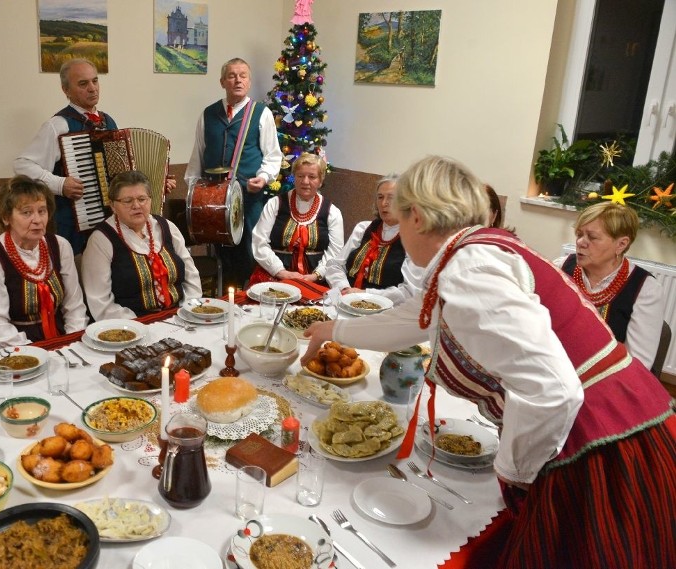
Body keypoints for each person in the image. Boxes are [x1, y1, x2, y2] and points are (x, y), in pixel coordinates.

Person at [301, 156, 675, 569]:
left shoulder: (470, 266)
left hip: (601, 440)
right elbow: (415, 319)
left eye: (402, 218)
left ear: (419, 217)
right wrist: (332, 331)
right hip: (617, 416)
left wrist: (514, 472)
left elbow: (552, 391)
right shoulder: (473, 251)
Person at [185, 57, 283, 289]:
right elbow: (198, 154)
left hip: (248, 200)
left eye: (243, 76)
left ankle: (251, 298)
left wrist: (265, 177)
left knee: (250, 252)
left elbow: (273, 155)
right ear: (222, 82)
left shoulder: (262, 113)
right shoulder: (208, 114)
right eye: (232, 76)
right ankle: (224, 298)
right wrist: (193, 188)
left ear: (249, 82)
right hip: (214, 201)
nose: (237, 80)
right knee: (221, 253)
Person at [13, 58, 118, 255]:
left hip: (110, 221)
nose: (92, 88)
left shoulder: (108, 121)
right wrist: (59, 184)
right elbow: (22, 164)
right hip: (75, 223)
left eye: (95, 81)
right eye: (83, 83)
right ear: (66, 90)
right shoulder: (59, 125)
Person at [0, 176, 87, 352]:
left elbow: (74, 305)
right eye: (26, 212)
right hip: (10, 346)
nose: (37, 220)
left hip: (60, 338)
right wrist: (36, 353)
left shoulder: (60, 245)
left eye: (42, 211)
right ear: (6, 217)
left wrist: (70, 344)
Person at [81, 170, 202, 320]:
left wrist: (188, 309)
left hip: (180, 316)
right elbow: (100, 303)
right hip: (133, 326)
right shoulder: (101, 240)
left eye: (142, 199)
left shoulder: (166, 227)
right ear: (112, 205)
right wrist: (137, 324)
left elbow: (191, 276)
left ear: (150, 200)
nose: (136, 205)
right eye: (127, 201)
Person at [556, 201, 664, 369]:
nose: (581, 242)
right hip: (555, 369)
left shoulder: (645, 289)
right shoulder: (561, 267)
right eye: (579, 234)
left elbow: (638, 365)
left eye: (592, 237)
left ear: (621, 244)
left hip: (606, 379)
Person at [325, 173, 424, 303]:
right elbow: (335, 265)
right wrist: (344, 288)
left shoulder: (414, 240)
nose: (384, 203)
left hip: (383, 311)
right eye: (380, 197)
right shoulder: (363, 228)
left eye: (391, 198)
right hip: (345, 301)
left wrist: (365, 295)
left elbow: (409, 292)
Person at [249, 153, 343, 284]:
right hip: (275, 274)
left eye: (312, 177)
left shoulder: (332, 212)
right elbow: (259, 242)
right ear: (293, 178)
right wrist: (281, 272)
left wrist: (317, 274)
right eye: (300, 176)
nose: (305, 181)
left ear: (321, 181)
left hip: (316, 278)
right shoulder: (275, 204)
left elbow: (336, 252)